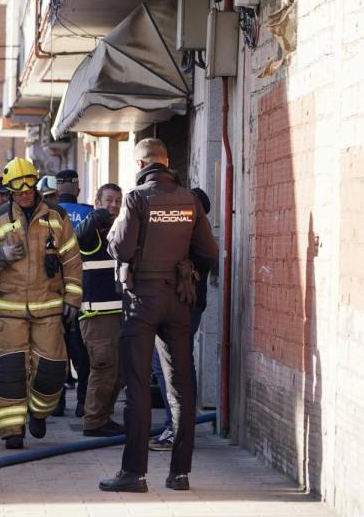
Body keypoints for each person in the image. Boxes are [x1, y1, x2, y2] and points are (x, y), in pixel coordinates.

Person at [100, 138, 217, 493]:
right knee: (181, 387)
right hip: (178, 300)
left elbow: (119, 246)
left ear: (140, 166)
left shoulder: (136, 198)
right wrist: (187, 277)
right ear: (166, 163)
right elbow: (209, 251)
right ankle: (179, 474)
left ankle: (134, 474)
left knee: (137, 387)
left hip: (142, 300)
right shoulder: (191, 200)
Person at [0, 158, 82, 449]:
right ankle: (12, 431)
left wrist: (73, 298)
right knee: (10, 373)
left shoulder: (57, 217)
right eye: (18, 187)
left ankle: (39, 412)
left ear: (36, 183)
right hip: (8, 311)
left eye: (29, 184)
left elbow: (72, 261)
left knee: (53, 371)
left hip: (49, 308)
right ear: (10, 189)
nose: (25, 191)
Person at [150, 187, 216, 451]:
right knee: (176, 364)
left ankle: (175, 428)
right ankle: (179, 427)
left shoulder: (192, 236)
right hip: (181, 306)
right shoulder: (196, 234)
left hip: (182, 307)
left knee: (172, 366)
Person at [76, 183, 125, 437]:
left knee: (116, 372)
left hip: (118, 315)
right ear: (96, 202)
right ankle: (93, 422)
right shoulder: (91, 232)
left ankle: (103, 418)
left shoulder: (118, 231)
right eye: (108, 200)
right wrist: (94, 218)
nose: (113, 205)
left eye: (118, 201)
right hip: (97, 317)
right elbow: (77, 237)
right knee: (103, 370)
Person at [55, 169, 93, 418]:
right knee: (83, 353)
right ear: (78, 190)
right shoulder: (90, 213)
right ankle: (82, 403)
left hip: (51, 293)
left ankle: (55, 404)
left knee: (54, 351)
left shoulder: (47, 214)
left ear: (57, 190)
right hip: (84, 292)